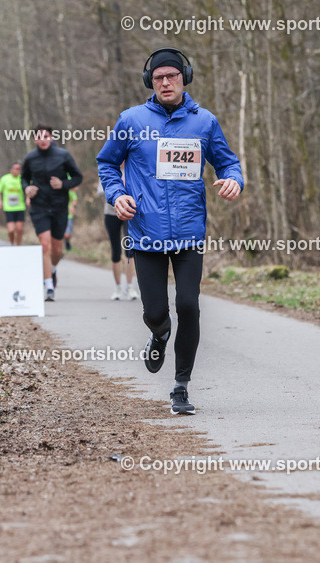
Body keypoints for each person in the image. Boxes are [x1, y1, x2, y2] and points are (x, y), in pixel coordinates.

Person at [97, 48, 243, 415]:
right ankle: (159, 333)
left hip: (189, 233)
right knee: (156, 311)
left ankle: (181, 386)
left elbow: (228, 162)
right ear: (151, 82)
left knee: (189, 307)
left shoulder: (204, 122)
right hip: (146, 232)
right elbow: (107, 163)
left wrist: (232, 180)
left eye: (172, 77)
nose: (165, 82)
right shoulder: (131, 120)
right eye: (159, 77)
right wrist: (117, 196)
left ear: (184, 79)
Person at [21, 124, 83, 301]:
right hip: (39, 206)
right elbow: (24, 178)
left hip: (59, 206)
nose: (42, 140)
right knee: (45, 244)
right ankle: (48, 286)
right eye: (39, 137)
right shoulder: (30, 158)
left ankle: (53, 269)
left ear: (51, 138)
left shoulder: (63, 156)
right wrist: (27, 188)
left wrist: (63, 184)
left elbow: (78, 177)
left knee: (57, 248)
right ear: (35, 139)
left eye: (46, 136)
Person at [98, 178, 138, 300]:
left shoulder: (132, 167)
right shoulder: (109, 169)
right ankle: (118, 288)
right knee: (116, 250)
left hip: (129, 213)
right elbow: (99, 191)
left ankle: (130, 287)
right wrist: (116, 189)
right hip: (111, 214)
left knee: (129, 249)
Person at [0, 162, 27, 245]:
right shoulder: (5, 179)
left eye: (19, 169)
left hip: (20, 207)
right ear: (11, 170)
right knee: (11, 230)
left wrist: (28, 198)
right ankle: (12, 244)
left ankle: (18, 245)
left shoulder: (22, 179)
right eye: (16, 168)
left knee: (19, 229)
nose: (18, 170)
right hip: (9, 208)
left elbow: (27, 189)